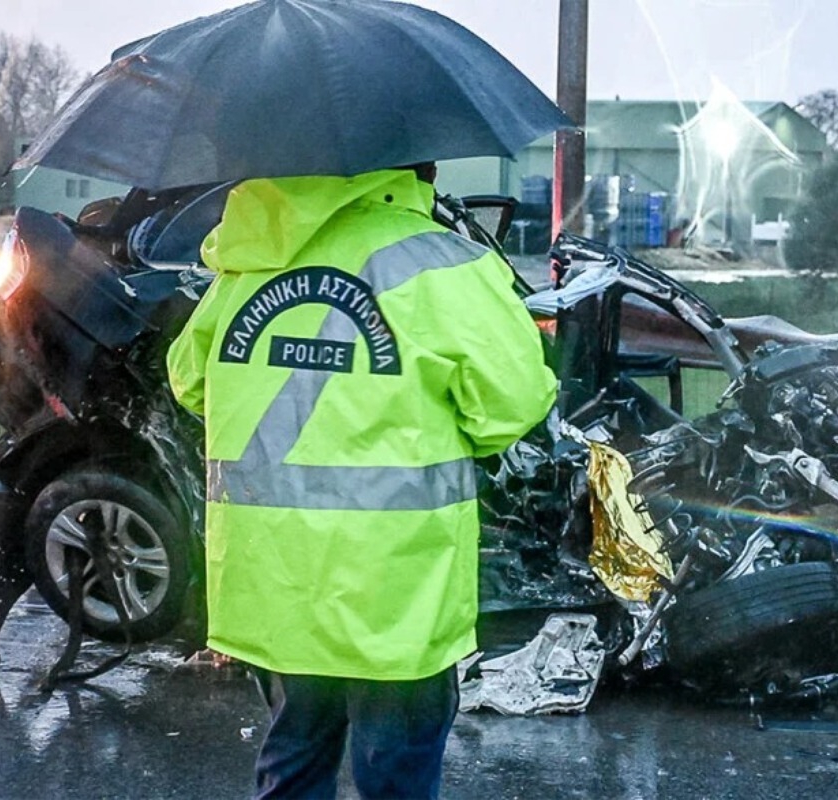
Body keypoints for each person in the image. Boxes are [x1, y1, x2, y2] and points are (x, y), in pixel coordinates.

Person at [166, 163, 556, 799]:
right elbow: (510, 406)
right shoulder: (441, 264)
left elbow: (190, 380)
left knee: (294, 756)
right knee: (396, 773)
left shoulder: (255, 254)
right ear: (417, 170)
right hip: (396, 591)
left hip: (276, 584)